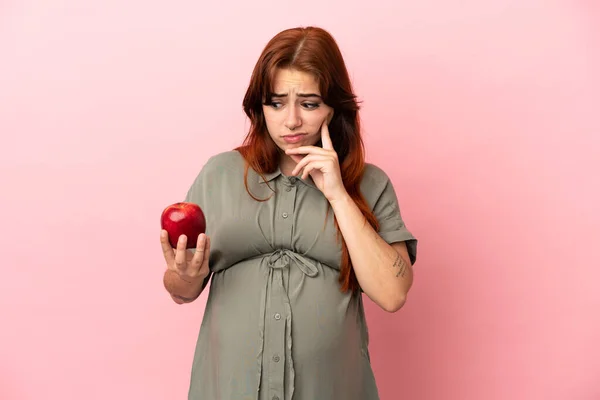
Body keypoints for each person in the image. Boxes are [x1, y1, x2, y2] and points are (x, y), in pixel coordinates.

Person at [160, 26, 418, 400]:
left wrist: (338, 196)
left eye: (309, 104)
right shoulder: (220, 174)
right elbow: (181, 290)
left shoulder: (370, 184)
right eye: (276, 103)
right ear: (259, 106)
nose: (291, 120)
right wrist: (183, 276)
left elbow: (393, 294)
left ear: (334, 107)